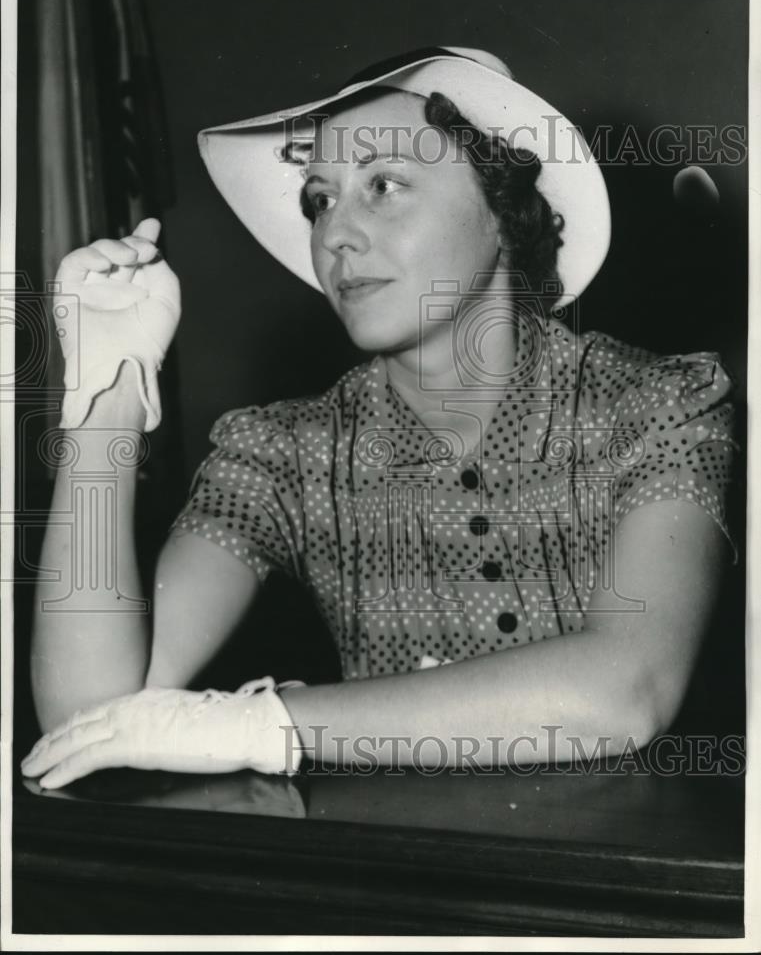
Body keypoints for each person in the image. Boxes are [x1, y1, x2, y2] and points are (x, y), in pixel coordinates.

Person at [21, 47, 738, 789]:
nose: (334, 234)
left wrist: (270, 726)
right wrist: (105, 402)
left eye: (384, 185)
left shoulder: (654, 408)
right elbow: (86, 714)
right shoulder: (285, 451)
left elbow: (626, 691)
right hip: (391, 889)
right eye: (319, 199)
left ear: (502, 212)